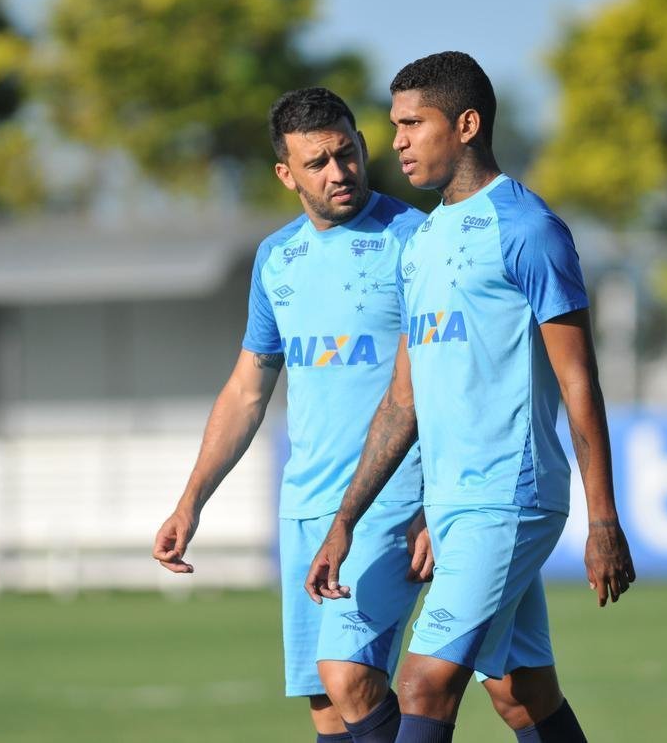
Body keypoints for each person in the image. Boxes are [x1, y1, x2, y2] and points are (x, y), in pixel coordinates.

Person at [305, 51, 635, 742]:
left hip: (508, 495)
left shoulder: (528, 230)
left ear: (466, 124)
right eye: (394, 124)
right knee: (522, 693)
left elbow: (580, 380)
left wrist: (603, 518)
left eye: (411, 123)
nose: (394, 140)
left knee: (425, 681)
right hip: (455, 503)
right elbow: (403, 401)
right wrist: (346, 518)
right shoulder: (422, 242)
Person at [153, 87, 433, 743]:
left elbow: (448, 384)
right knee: (325, 703)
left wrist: (435, 502)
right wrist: (191, 500)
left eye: (347, 153)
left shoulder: (415, 240)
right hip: (305, 503)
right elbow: (248, 388)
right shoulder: (276, 258)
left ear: (363, 147)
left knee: (349, 676)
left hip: (387, 500)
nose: (339, 172)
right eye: (318, 163)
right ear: (286, 173)